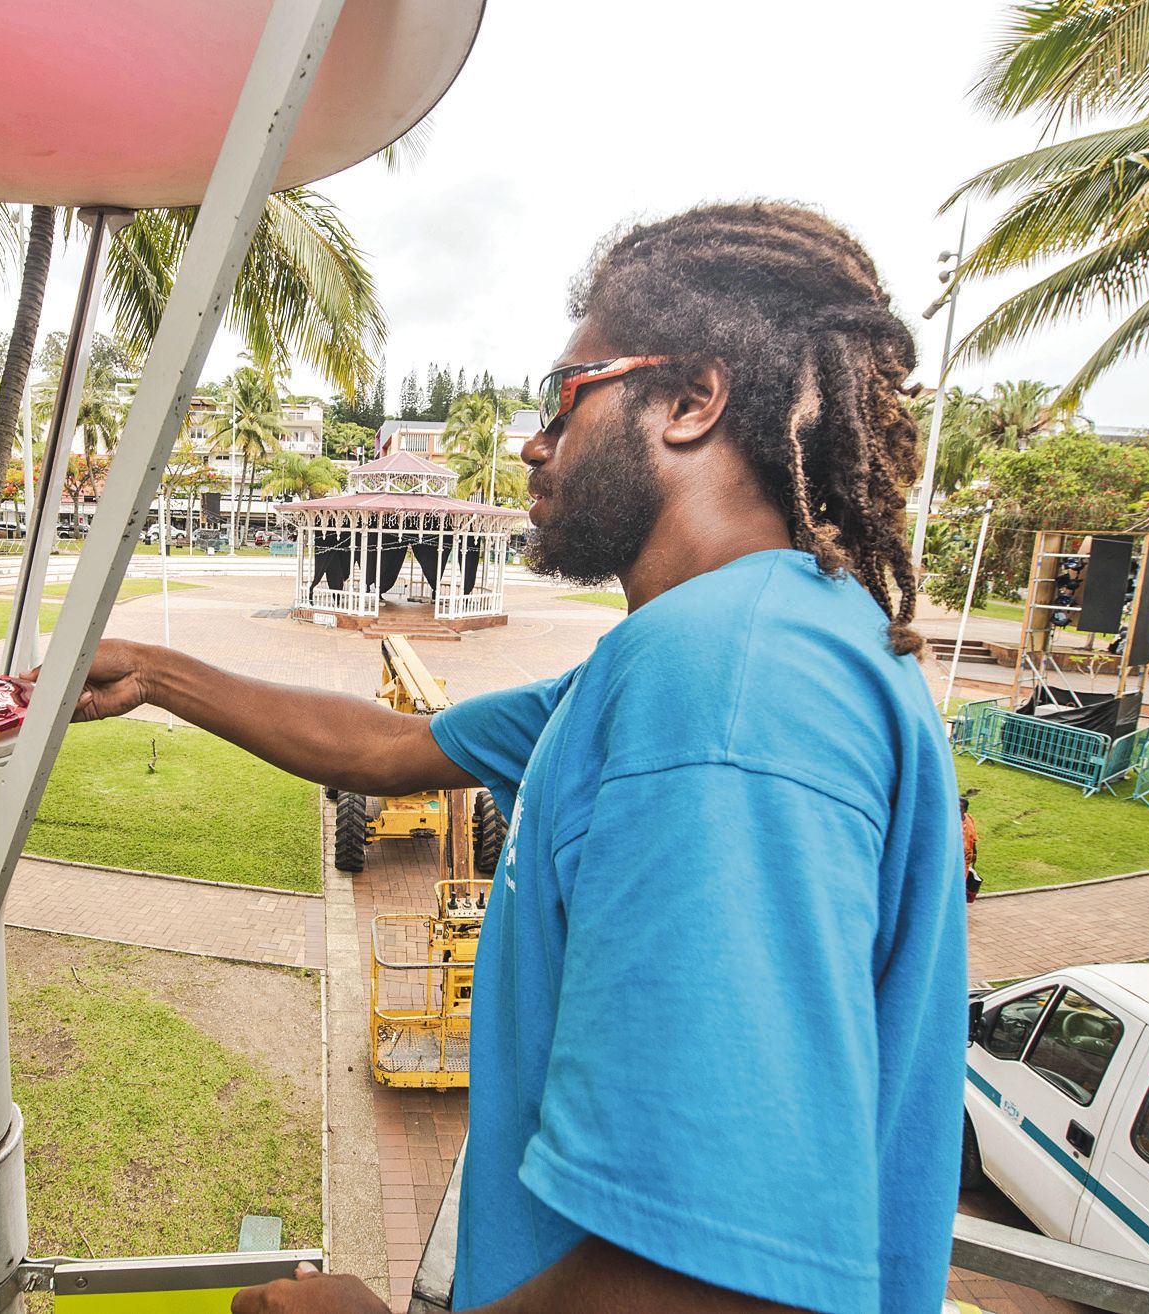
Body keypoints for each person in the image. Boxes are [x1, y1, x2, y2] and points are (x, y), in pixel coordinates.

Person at [59, 203, 965, 1314]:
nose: (536, 441)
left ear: (689, 401)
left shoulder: (723, 683)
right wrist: (157, 673)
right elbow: (389, 746)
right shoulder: (710, 654)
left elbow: (710, 1280)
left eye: (566, 392)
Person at [961, 795, 982, 903]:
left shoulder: (969, 819)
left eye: (960, 807)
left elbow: (973, 838)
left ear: (965, 810)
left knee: (963, 879)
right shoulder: (950, 821)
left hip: (966, 858)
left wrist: (975, 853)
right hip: (955, 858)